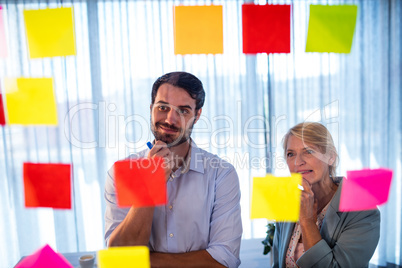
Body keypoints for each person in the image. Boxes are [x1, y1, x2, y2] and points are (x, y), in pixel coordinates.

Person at [104, 72, 242, 268]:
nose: (170, 119)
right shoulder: (120, 173)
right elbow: (118, 260)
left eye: (183, 111)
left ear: (197, 115)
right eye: (162, 107)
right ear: (151, 109)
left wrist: (143, 262)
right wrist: (151, 185)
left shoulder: (222, 174)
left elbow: (224, 259)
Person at [272, 122, 380, 268]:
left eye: (308, 151)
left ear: (331, 157)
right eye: (291, 154)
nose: (298, 162)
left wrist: (307, 221)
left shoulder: (363, 211)